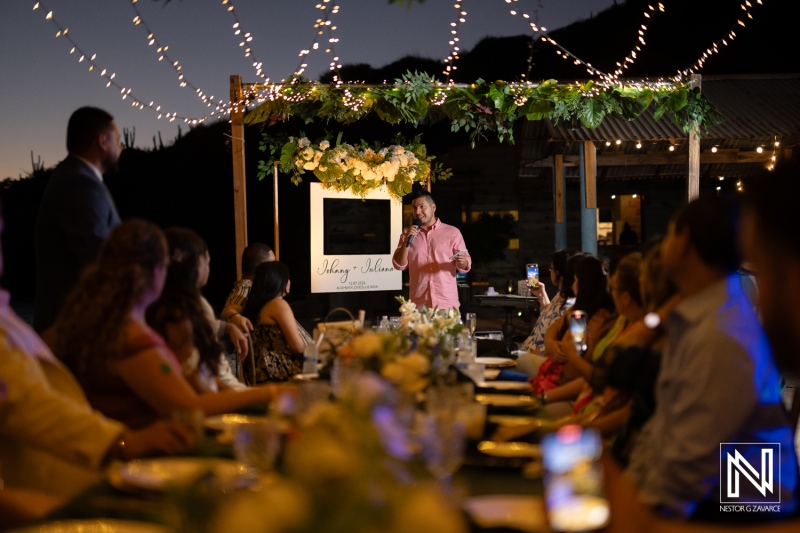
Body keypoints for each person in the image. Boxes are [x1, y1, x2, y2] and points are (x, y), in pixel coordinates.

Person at [624, 195, 798, 521]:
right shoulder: (703, 317)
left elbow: (686, 472)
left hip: (743, 513)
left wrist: (631, 511)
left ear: (685, 240)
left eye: (670, 233)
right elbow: (663, 434)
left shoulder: (724, 333)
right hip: (711, 501)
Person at [0, 207, 193, 499]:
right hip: (58, 480)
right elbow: (24, 402)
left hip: (77, 465)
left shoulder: (80, 323)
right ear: (157, 271)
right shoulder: (133, 335)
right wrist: (123, 440)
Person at [52, 219, 283, 430]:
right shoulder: (133, 334)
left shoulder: (102, 322)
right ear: (156, 272)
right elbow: (187, 407)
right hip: (146, 454)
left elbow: (196, 382)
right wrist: (272, 393)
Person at [34, 107, 122, 333]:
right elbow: (98, 257)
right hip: (73, 331)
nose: (121, 147)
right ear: (102, 141)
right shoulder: (79, 184)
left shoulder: (73, 177)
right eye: (118, 139)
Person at [392, 191, 471, 309]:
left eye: (422, 207)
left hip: (446, 305)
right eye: (414, 208)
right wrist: (406, 241)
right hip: (419, 305)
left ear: (433, 207)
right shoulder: (406, 235)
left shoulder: (452, 232)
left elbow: (465, 266)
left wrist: (462, 260)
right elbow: (399, 265)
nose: (417, 212)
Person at [242, 261, 312, 382]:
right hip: (282, 372)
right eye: (287, 278)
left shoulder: (256, 306)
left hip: (263, 374)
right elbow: (298, 348)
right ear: (280, 281)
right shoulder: (278, 304)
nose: (289, 281)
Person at [516, 249, 578, 376]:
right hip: (528, 354)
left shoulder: (571, 305)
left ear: (558, 273)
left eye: (551, 269)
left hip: (537, 360)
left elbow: (553, 346)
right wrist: (541, 296)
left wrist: (522, 357)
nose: (550, 272)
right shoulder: (560, 296)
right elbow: (551, 318)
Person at [221, 242, 275, 322]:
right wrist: (233, 315)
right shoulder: (245, 290)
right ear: (262, 269)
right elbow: (229, 310)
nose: (275, 270)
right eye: (272, 265)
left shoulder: (253, 289)